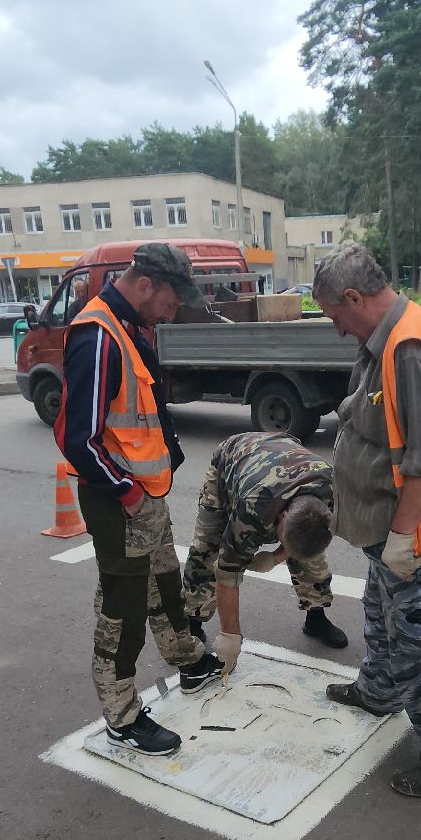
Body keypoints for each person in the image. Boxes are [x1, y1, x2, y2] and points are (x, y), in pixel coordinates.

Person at [312, 243, 421, 798]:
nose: (337, 329)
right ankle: (378, 690)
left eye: (335, 315)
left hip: (414, 530)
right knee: (379, 613)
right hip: (389, 528)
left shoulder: (409, 347)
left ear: (354, 297)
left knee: (418, 642)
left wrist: (404, 537)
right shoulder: (386, 338)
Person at [54, 243, 220, 757]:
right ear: (145, 284)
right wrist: (125, 492)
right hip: (119, 498)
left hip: (145, 494)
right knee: (122, 608)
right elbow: (75, 437)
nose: (174, 311)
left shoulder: (129, 328)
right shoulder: (98, 336)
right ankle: (121, 715)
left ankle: (185, 658)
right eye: (172, 300)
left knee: (164, 581)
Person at [182, 432, 349, 674]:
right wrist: (231, 635)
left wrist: (277, 556)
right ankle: (193, 620)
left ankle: (316, 618)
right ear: (281, 517)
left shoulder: (333, 493)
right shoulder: (253, 507)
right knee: (206, 550)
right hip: (232, 459)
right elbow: (228, 573)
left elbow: (310, 537)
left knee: (310, 556)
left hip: (286, 453)